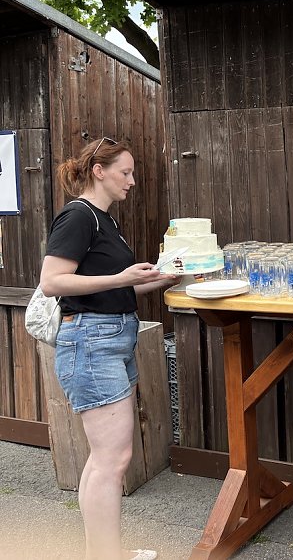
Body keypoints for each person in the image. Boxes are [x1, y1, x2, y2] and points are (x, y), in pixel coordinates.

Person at [38, 137, 177, 560]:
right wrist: (122, 278)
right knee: (113, 460)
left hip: (110, 337)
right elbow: (53, 281)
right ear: (99, 171)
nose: (131, 181)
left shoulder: (104, 220)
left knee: (105, 459)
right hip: (91, 342)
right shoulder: (79, 217)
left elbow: (121, 289)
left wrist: (168, 278)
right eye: (125, 172)